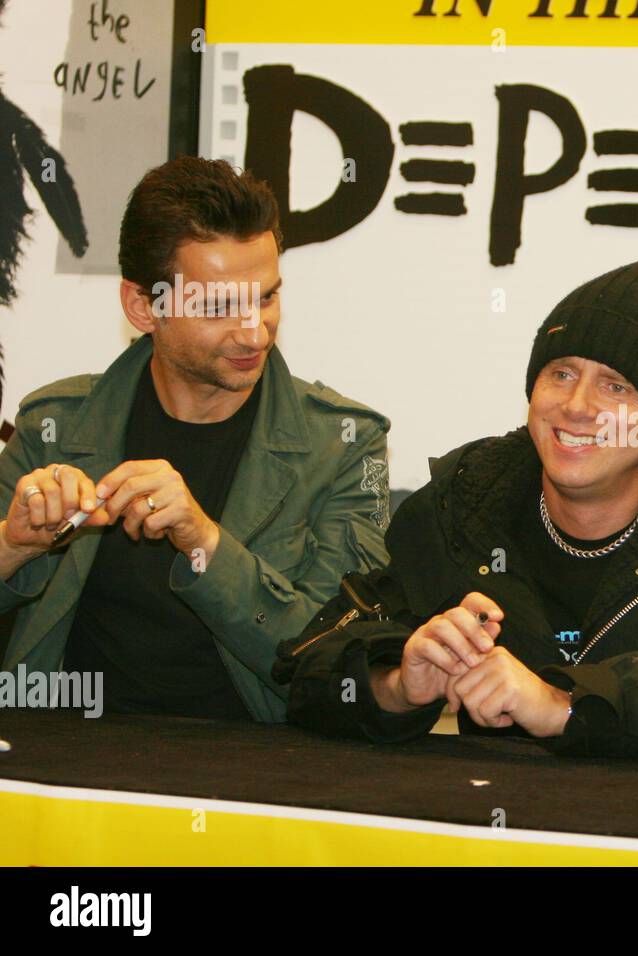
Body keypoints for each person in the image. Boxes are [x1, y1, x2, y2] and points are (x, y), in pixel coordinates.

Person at [276, 258, 638, 756]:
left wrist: (564, 704)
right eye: (561, 373)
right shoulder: (471, 495)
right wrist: (397, 683)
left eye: (616, 386)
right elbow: (308, 669)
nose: (577, 406)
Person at [0, 157, 390, 722]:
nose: (254, 331)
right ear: (143, 307)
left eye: (266, 297)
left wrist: (205, 543)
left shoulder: (345, 445)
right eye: (217, 307)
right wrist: (16, 544)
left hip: (258, 771)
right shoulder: (53, 426)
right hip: (70, 765)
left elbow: (348, 662)